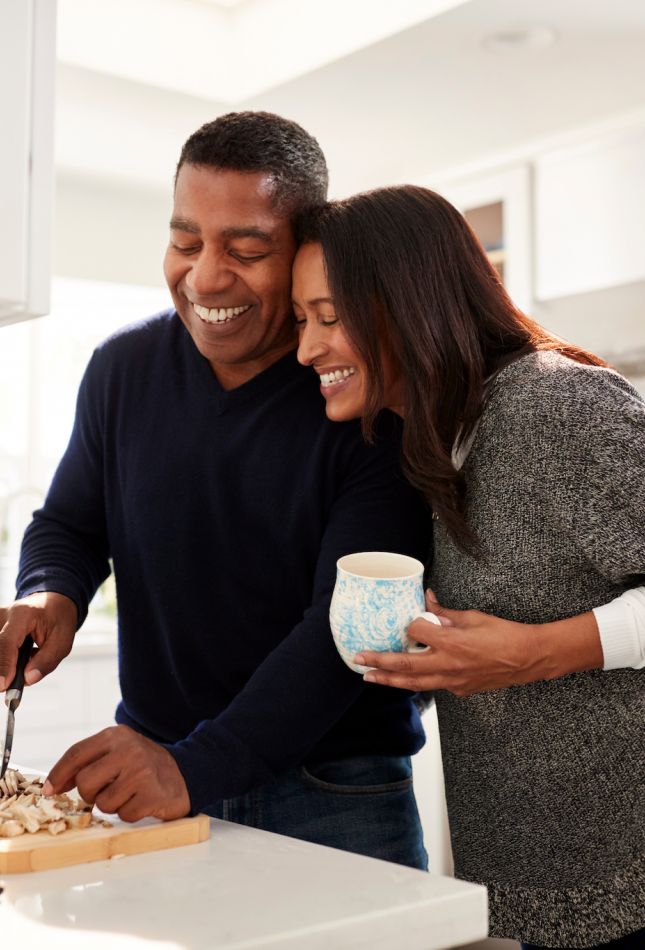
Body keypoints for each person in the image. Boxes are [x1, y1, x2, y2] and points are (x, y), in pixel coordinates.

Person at [0, 113, 432, 870]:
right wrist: (49, 594)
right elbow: (69, 523)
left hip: (333, 791)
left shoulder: (363, 393)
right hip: (153, 769)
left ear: (304, 251)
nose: (203, 277)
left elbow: (347, 631)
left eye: (246, 249)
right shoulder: (121, 369)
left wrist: (196, 767)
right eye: (185, 241)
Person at [292, 185, 644, 948]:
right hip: (541, 890)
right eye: (300, 321)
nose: (305, 349)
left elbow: (537, 643)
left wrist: (533, 652)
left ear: (405, 300)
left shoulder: (557, 407)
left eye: (327, 317)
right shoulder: (438, 441)